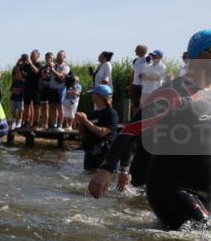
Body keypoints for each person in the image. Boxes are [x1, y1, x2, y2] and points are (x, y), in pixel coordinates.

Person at [89, 30, 210, 230]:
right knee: (202, 235)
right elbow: (130, 131)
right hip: (173, 188)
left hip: (205, 190)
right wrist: (106, 170)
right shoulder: (172, 93)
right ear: (199, 56)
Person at [75, 84, 118, 170]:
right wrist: (81, 122)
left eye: (93, 93)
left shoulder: (111, 113)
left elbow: (102, 132)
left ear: (99, 96)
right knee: (87, 177)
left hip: (105, 153)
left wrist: (85, 121)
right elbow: (82, 133)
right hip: (91, 152)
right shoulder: (93, 113)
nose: (91, 95)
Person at [129, 45, 149, 116]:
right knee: (135, 104)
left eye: (137, 50)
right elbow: (133, 73)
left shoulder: (149, 59)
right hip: (135, 85)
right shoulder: (135, 60)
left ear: (142, 50)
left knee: (144, 104)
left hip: (145, 86)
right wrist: (131, 85)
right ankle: (135, 120)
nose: (135, 51)